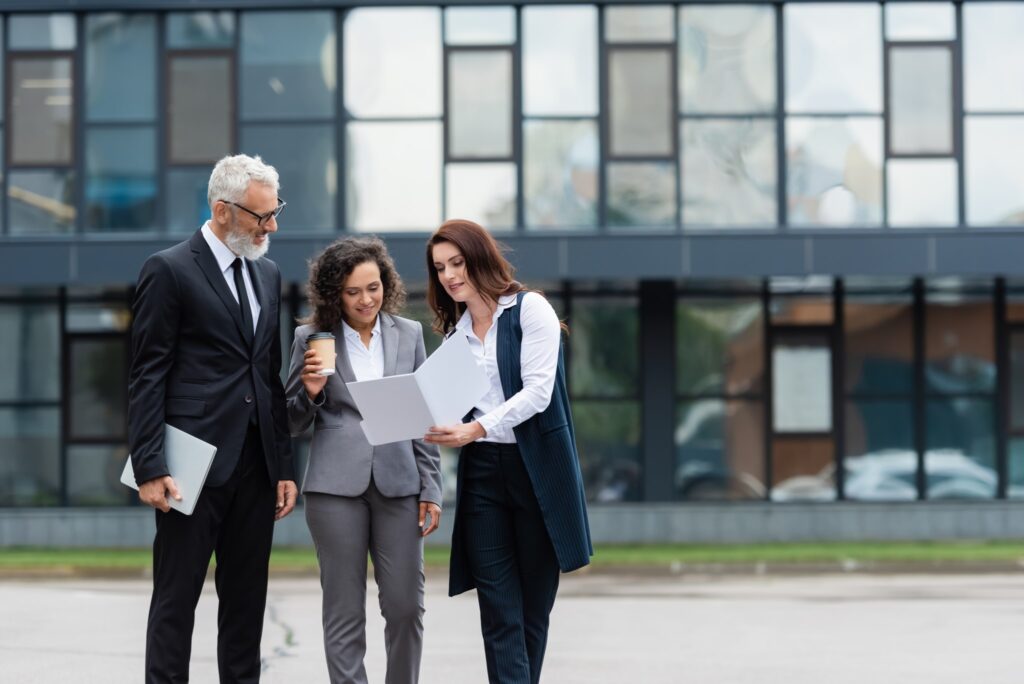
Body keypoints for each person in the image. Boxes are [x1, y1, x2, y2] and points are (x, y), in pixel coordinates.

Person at [127, 154, 298, 683]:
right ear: (223, 211)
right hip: (188, 467)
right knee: (177, 601)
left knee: (246, 606)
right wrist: (150, 463)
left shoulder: (267, 274)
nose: (271, 226)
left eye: (275, 213)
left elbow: (267, 377)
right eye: (260, 216)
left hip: (255, 468)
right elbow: (147, 374)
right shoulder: (169, 269)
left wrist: (285, 466)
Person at [423, 219, 592, 684]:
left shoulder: (530, 310)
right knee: (499, 612)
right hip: (482, 475)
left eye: (457, 262)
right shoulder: (455, 333)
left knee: (533, 612)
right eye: (440, 268)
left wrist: (474, 428)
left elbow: (538, 393)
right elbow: (451, 403)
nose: (450, 276)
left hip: (536, 471)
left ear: (481, 258)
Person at [285, 236, 443, 684]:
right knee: (343, 608)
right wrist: (310, 392)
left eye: (373, 288)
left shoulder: (409, 334)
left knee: (406, 606)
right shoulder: (310, 338)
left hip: (399, 483)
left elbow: (421, 415)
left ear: (386, 283)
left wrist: (430, 487)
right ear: (335, 292)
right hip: (335, 488)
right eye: (353, 291)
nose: (365, 299)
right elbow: (289, 421)